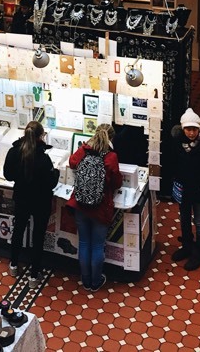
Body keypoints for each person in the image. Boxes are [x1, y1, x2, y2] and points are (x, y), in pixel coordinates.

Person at [3, 120, 59, 287]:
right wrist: (55, 173)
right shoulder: (43, 159)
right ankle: (34, 276)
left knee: (18, 230)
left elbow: (8, 175)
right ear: (41, 136)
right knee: (38, 236)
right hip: (41, 201)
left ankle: (13, 264)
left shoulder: (14, 152)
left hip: (21, 197)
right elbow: (51, 183)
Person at [68, 123, 121, 292]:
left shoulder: (84, 150)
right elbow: (116, 182)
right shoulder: (111, 157)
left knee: (84, 243)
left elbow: (72, 162)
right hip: (100, 207)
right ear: (111, 138)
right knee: (98, 246)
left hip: (80, 205)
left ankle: (85, 280)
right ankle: (95, 281)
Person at [171, 107, 200, 270]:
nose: (191, 133)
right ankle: (186, 245)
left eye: (194, 129)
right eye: (188, 129)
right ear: (183, 129)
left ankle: (198, 252)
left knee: (199, 221)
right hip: (183, 189)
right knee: (184, 219)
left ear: (199, 129)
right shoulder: (177, 142)